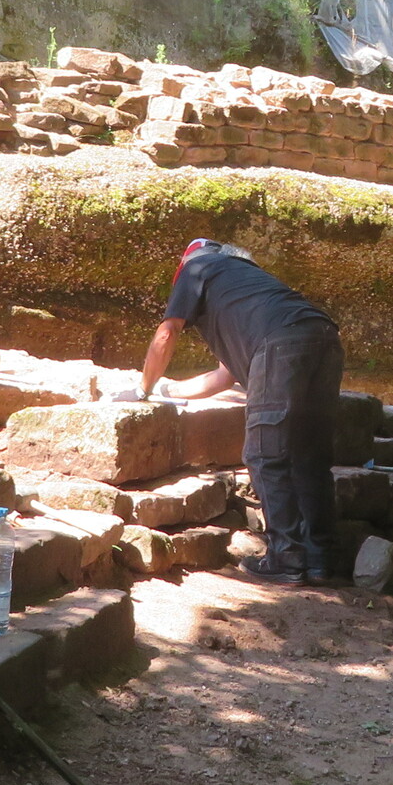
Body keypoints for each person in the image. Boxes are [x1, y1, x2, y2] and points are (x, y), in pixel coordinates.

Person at [134, 239, 345, 584]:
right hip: (324, 336)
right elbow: (224, 376)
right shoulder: (248, 286)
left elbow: (166, 333)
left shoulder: (197, 266)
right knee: (310, 456)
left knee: (265, 454)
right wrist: (167, 390)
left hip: (281, 343)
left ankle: (287, 559)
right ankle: (321, 560)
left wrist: (142, 389)